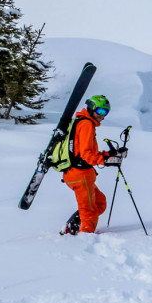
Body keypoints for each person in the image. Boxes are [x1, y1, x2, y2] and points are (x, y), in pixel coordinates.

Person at [59, 95, 126, 235]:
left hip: (77, 173)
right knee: (89, 211)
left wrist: (109, 155)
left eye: (105, 112)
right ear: (91, 108)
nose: (102, 116)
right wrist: (107, 161)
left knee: (99, 203)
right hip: (79, 174)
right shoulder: (86, 124)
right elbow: (87, 155)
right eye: (100, 111)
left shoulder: (82, 122)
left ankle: (72, 227)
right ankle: (84, 239)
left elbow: (83, 151)